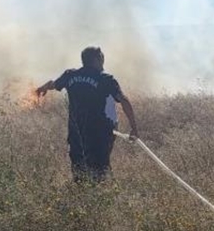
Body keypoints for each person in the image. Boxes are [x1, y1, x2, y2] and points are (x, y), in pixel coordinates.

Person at [36, 46, 139, 182]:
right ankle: (100, 192)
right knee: (100, 171)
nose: (103, 60)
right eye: (101, 57)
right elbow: (124, 100)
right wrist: (134, 128)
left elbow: (53, 84)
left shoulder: (70, 75)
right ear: (97, 59)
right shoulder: (105, 79)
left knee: (79, 172)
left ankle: (82, 192)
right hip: (99, 134)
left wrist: (42, 88)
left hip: (76, 133)